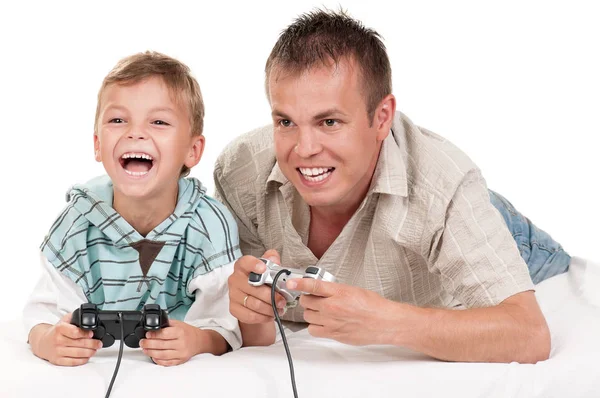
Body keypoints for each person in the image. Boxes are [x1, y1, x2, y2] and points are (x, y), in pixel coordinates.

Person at [215, 9, 570, 363]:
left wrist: (387, 323)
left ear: (382, 117)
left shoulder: (444, 186)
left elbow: (529, 335)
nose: (304, 149)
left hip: (494, 227)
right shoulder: (240, 172)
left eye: (329, 121)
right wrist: (250, 307)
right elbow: (245, 320)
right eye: (286, 121)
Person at [23, 51, 242, 367]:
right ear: (98, 144)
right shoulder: (75, 223)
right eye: (117, 120)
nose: (135, 132)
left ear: (192, 150)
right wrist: (49, 340)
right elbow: (41, 312)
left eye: (158, 122)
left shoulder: (210, 225)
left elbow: (225, 326)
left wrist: (198, 340)